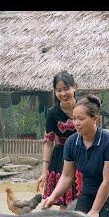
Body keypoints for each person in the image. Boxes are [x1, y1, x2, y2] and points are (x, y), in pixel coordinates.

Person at [41, 95, 109, 217]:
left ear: (94, 119)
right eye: (74, 119)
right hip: (89, 191)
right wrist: (52, 197)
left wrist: (94, 211)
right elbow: (67, 176)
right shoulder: (71, 142)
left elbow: (108, 181)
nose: (76, 123)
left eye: (81, 119)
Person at [36, 71, 82, 209]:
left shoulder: (84, 107)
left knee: (85, 198)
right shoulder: (52, 113)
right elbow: (48, 142)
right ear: (55, 92)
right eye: (59, 90)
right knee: (65, 203)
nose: (63, 94)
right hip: (61, 158)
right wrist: (44, 171)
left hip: (83, 154)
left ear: (75, 87)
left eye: (67, 88)